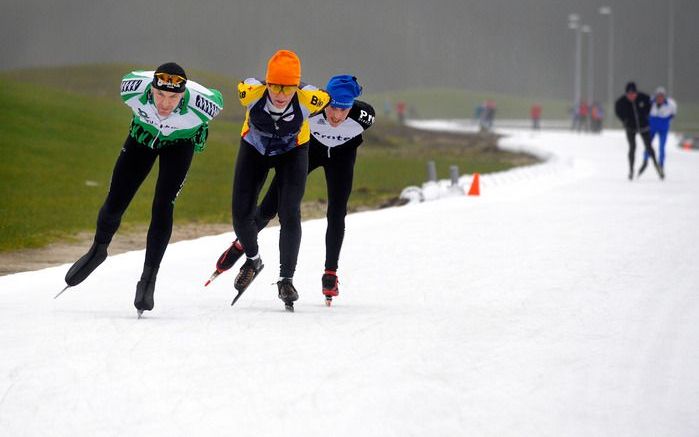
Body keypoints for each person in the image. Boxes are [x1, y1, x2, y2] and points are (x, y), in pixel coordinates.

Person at [61, 63, 224, 316]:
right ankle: (97, 250)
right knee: (116, 199)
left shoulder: (205, 105)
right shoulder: (132, 89)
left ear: (183, 94)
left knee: (163, 206)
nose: (165, 103)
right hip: (141, 139)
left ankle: (149, 278)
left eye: (173, 97)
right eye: (159, 94)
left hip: (180, 146)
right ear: (151, 88)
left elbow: (218, 100)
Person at [214, 75, 374, 306]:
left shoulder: (365, 116)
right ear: (325, 101)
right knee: (270, 206)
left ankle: (330, 274)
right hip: (310, 152)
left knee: (337, 212)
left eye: (344, 110)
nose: (337, 116)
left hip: (342, 158)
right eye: (333, 108)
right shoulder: (313, 107)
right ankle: (241, 244)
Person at [225, 49, 329, 310]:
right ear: (267, 83)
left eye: (288, 88)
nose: (281, 95)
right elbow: (244, 84)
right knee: (240, 213)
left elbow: (330, 100)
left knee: (290, 213)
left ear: (297, 85)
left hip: (293, 152)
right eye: (275, 87)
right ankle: (253, 259)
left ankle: (286, 280)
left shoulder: (312, 99)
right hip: (254, 148)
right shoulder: (250, 92)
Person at [614, 81, 663, 180]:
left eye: (633, 94)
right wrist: (624, 120)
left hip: (643, 126)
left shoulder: (643, 98)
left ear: (636, 93)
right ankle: (631, 170)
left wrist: (645, 115)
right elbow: (617, 110)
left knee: (649, 147)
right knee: (632, 147)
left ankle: (658, 168)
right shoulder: (621, 102)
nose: (632, 96)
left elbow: (651, 104)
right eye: (629, 94)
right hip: (630, 127)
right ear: (626, 94)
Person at [641, 86, 677, 174]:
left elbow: (673, 114)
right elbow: (644, 111)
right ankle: (645, 160)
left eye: (661, 96)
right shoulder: (650, 102)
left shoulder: (671, 104)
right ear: (655, 96)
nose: (660, 98)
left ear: (664, 96)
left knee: (662, 147)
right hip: (652, 127)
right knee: (648, 145)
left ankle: (661, 164)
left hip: (663, 129)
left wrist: (666, 120)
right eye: (658, 96)